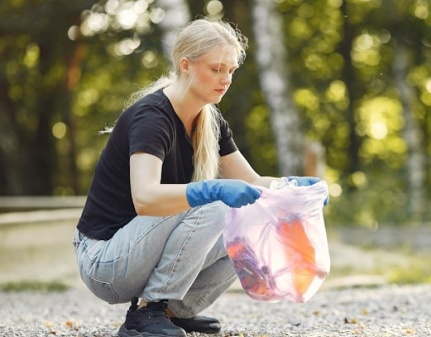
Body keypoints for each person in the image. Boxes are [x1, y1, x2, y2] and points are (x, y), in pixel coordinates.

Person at [73, 18, 325, 337]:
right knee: (216, 205)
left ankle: (170, 311)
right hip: (104, 262)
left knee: (247, 218)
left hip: (136, 251)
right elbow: (145, 197)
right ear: (186, 65)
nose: (226, 79)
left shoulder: (210, 121)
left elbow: (251, 181)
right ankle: (145, 313)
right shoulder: (153, 118)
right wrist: (210, 189)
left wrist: (293, 189)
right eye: (216, 69)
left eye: (231, 71)